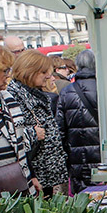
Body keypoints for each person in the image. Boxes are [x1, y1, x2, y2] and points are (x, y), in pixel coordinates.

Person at [0, 43, 42, 195]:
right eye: (4, 70)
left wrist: (31, 175)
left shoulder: (8, 98)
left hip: (20, 180)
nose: (8, 75)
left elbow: (19, 141)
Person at [7, 49, 68, 195]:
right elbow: (16, 136)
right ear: (29, 71)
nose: (48, 76)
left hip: (44, 171)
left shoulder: (35, 94)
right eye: (43, 72)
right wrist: (32, 175)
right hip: (34, 172)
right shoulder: (16, 97)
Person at [57, 49, 102, 194]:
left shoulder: (66, 92)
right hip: (104, 152)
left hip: (78, 157)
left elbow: (60, 129)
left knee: (83, 200)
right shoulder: (104, 88)